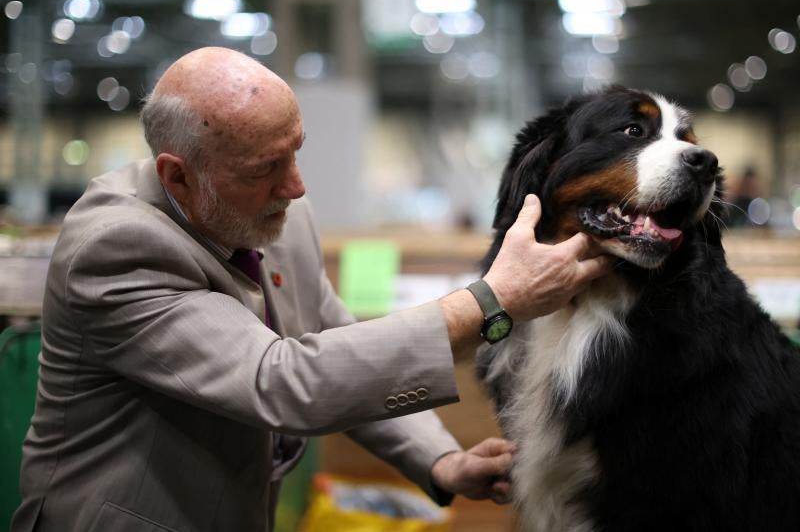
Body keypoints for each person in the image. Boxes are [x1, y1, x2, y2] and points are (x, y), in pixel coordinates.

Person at [11, 47, 610, 532]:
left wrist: (440, 458)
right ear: (178, 175)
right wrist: (491, 302)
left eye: (295, 152)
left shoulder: (271, 212)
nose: (295, 187)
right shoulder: (115, 249)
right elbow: (284, 381)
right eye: (264, 169)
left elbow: (336, 343)